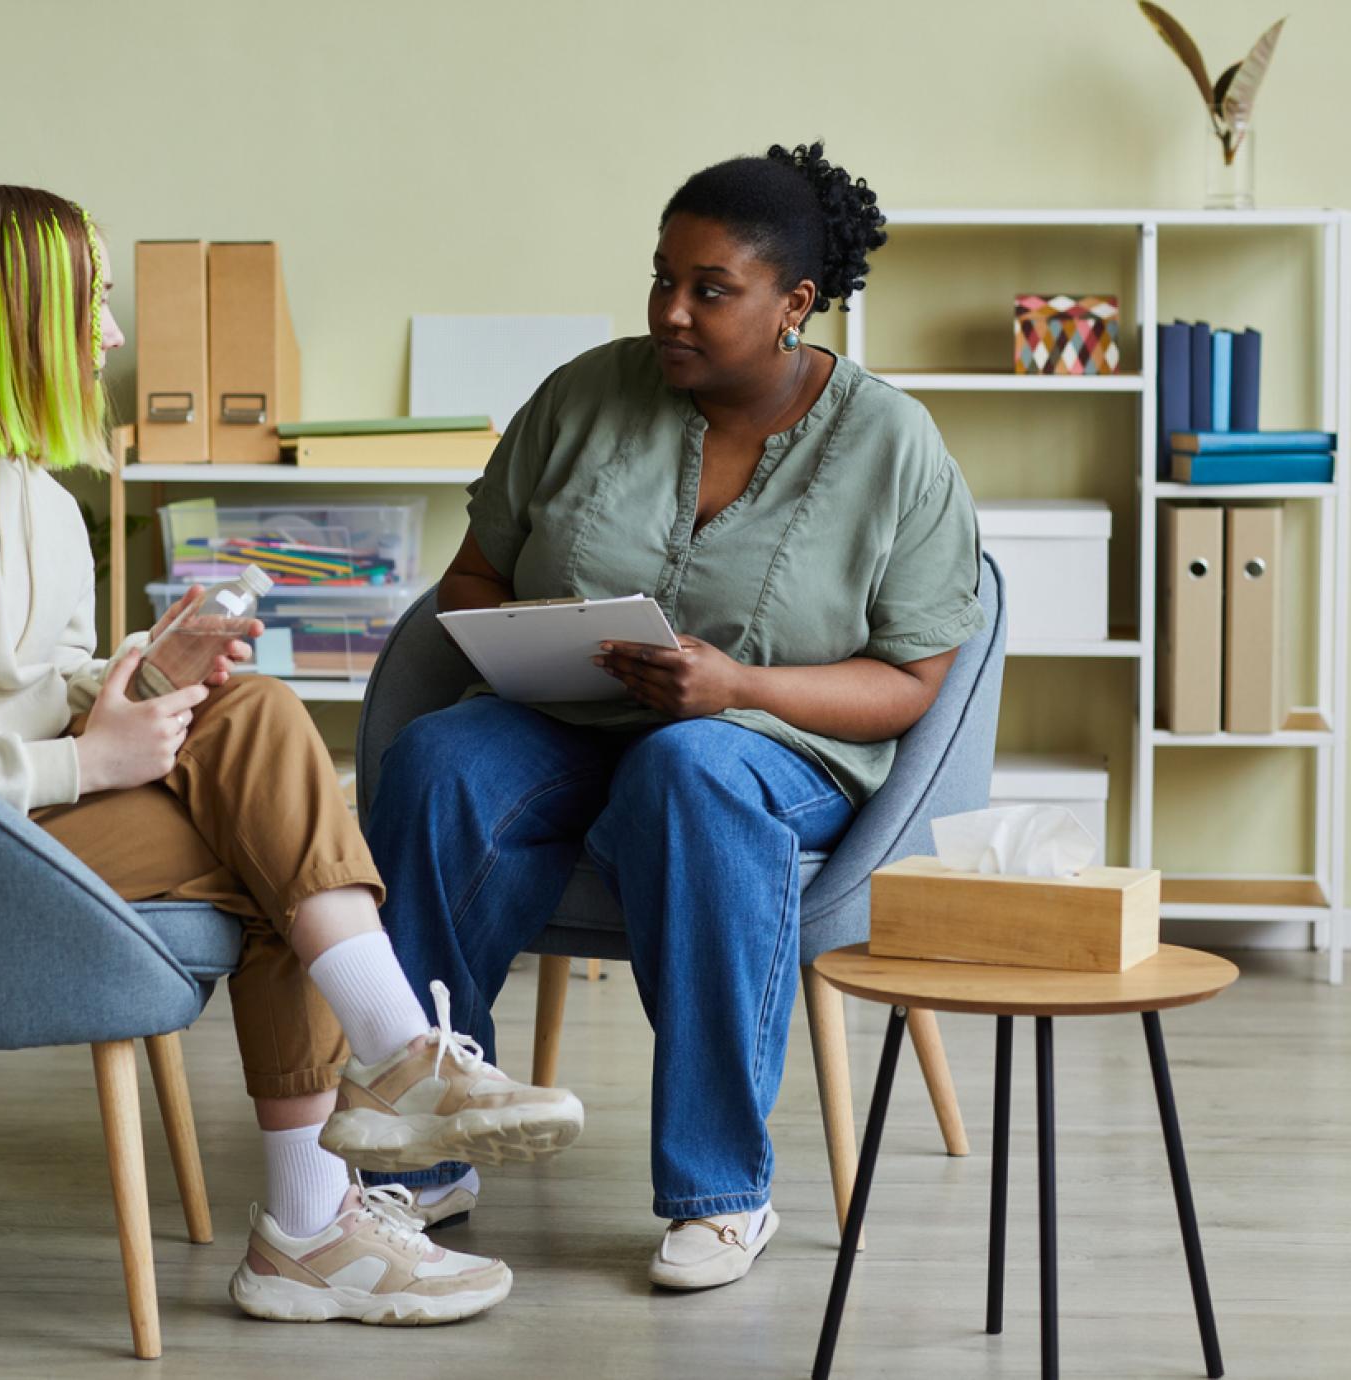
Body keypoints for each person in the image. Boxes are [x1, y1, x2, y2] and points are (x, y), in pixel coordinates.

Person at [0, 183, 583, 1326]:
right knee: (276, 834)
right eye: (91, 304)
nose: (114, 336)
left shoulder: (18, 484)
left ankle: (358, 1135)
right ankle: (337, 1172)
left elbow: (16, 689)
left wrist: (134, 682)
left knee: (268, 792)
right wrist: (89, 764)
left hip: (3, 820)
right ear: (18, 320)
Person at [364, 144, 985, 1290]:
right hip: (567, 719)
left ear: (794, 303)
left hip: (778, 744)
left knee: (689, 770)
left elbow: (911, 680)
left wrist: (738, 688)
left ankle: (719, 1191)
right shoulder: (583, 394)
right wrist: (525, 655)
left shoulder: (891, 443)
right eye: (661, 278)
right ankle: (432, 1146)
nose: (670, 311)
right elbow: (469, 580)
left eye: (710, 289)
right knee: (439, 758)